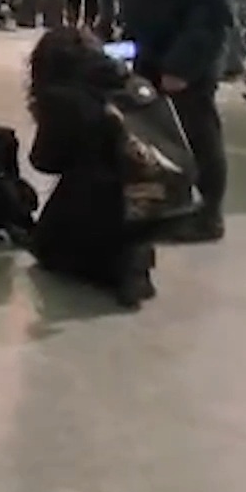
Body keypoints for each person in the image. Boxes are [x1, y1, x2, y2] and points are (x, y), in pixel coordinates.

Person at [125, 0, 236, 244]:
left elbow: (212, 13)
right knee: (160, 138)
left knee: (199, 136)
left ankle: (209, 214)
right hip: (153, 54)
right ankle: (174, 201)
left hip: (187, 65)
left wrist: (182, 65)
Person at [26, 29, 157, 308]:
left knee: (46, 247)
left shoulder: (62, 98)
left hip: (90, 208)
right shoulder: (130, 84)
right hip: (141, 211)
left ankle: (92, 263)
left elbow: (45, 161)